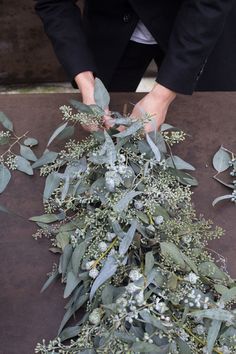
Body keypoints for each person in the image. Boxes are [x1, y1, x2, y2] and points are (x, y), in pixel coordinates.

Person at [35, 0, 234, 132]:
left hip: (197, 25)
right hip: (110, 23)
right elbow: (53, 3)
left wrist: (161, 96)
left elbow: (210, 3)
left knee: (214, 122)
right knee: (101, 129)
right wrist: (87, 84)